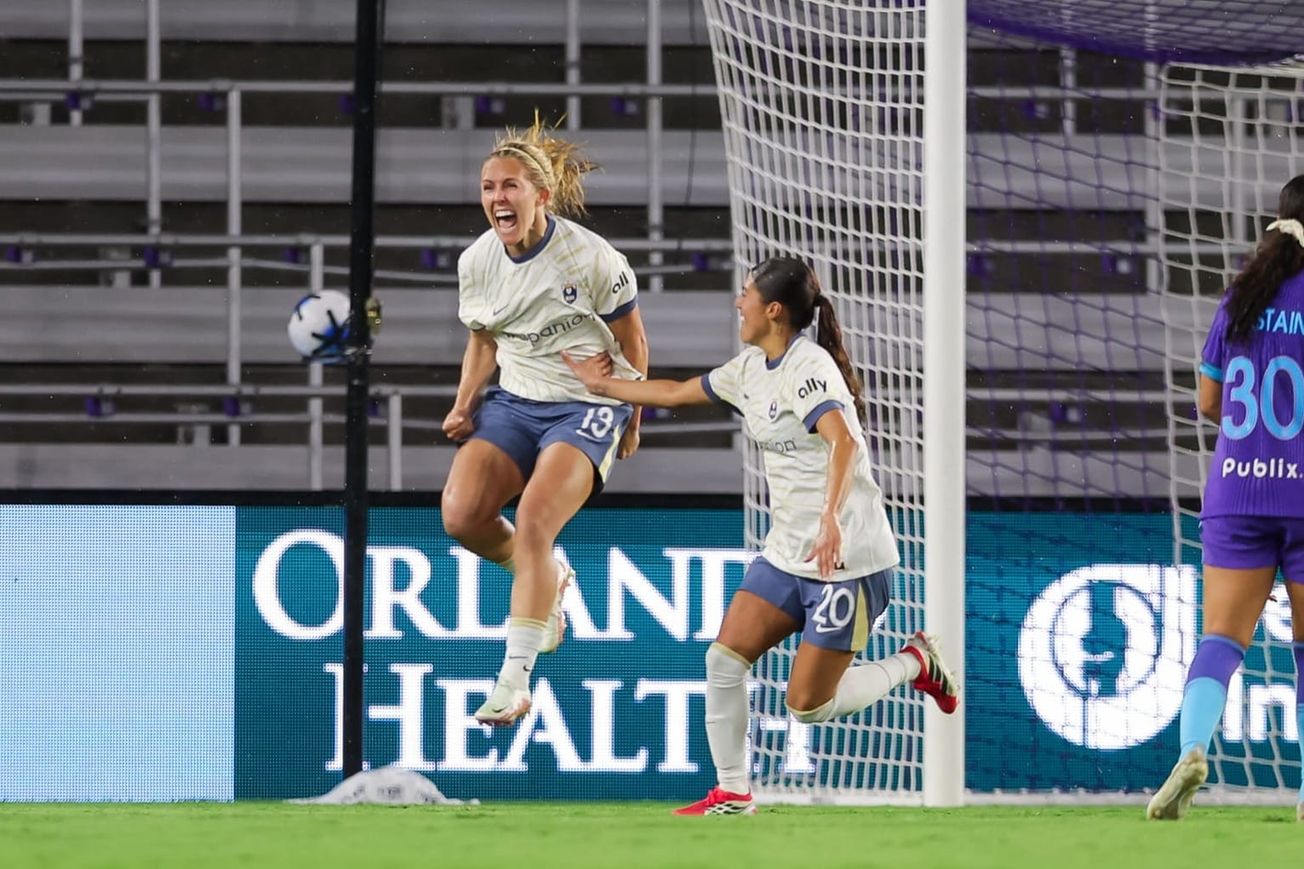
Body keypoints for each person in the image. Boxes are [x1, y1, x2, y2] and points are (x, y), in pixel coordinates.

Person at [563, 255, 958, 815]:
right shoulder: (751, 367)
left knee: (808, 707)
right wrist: (601, 383)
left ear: (773, 310)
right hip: (787, 555)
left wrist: (830, 519)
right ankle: (733, 792)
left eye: (746, 293)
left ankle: (915, 662)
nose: (737, 301)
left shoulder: (809, 366)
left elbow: (844, 442)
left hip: (849, 561)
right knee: (724, 660)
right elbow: (675, 393)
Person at [441, 118, 648, 727]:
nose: (496, 198)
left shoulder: (590, 258)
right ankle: (546, 578)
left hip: (588, 406)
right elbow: (483, 338)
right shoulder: (477, 261)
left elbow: (631, 335)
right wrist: (463, 402)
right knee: (462, 515)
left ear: (541, 195)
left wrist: (632, 411)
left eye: (509, 186)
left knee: (533, 520)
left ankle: (514, 681)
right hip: (515, 400)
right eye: (487, 187)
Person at [1148, 174, 1304, 821]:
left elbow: (1208, 401)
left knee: (1220, 638)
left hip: (1237, 487)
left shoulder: (1242, 294)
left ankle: (1190, 748)